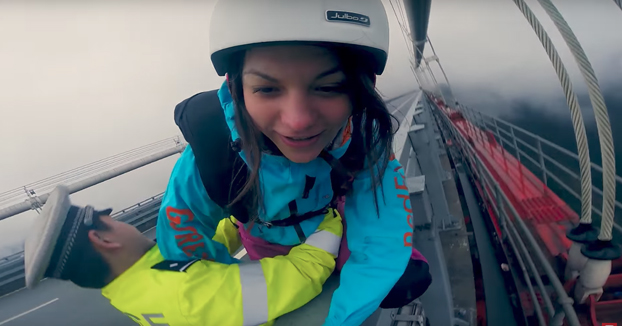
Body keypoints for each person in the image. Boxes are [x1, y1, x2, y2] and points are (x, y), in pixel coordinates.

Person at [156, 0, 432, 325]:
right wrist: (247, 296)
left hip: (329, 222)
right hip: (264, 238)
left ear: (362, 90)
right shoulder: (215, 152)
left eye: (328, 87)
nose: (298, 121)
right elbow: (182, 250)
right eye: (267, 88)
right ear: (237, 89)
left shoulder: (362, 138)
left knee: (403, 279)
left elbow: (382, 235)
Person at [24, 185, 343, 326]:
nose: (120, 222)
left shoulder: (130, 285)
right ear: (103, 239)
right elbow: (301, 275)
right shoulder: (189, 295)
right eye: (112, 219)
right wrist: (329, 223)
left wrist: (236, 219)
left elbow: (197, 251)